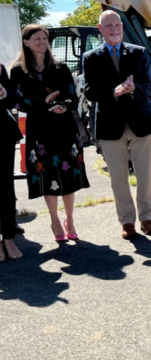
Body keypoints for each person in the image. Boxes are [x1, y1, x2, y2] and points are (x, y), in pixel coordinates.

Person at [83, 11, 151, 239]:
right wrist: (113, 92)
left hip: (141, 122)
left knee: (145, 176)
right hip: (110, 124)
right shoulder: (91, 57)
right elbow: (89, 91)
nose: (115, 29)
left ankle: (147, 218)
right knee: (118, 178)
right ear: (100, 28)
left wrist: (134, 89)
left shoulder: (139, 52)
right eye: (109, 26)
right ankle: (127, 222)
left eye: (117, 25)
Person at [10, 25, 89, 242]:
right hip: (40, 129)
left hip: (64, 127)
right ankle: (54, 220)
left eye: (45, 37)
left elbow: (72, 94)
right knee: (47, 175)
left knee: (68, 174)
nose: (42, 41)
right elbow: (16, 100)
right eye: (37, 38)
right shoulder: (18, 71)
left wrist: (62, 104)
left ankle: (70, 219)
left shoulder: (61, 68)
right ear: (26, 42)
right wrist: (43, 104)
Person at [0, 63, 24, 260]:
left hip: (3, 134)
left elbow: (12, 101)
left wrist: (3, 93)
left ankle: (8, 238)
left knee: (6, 188)